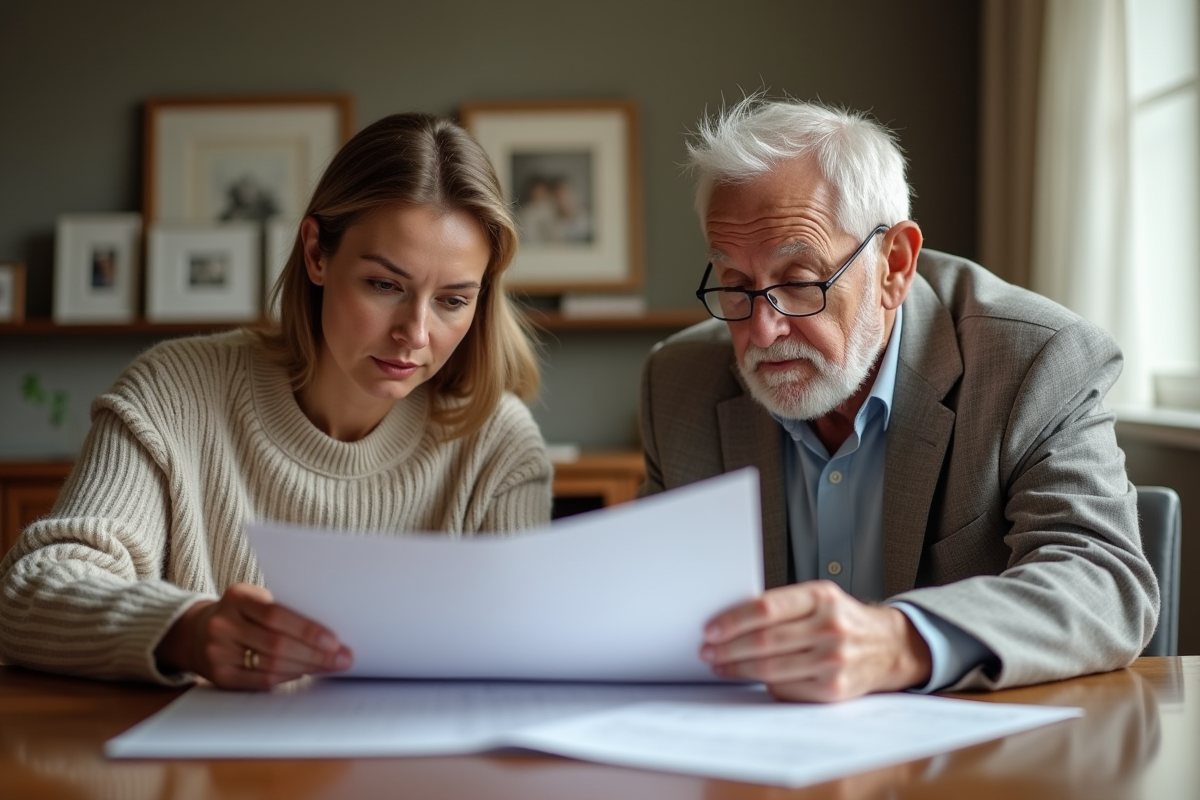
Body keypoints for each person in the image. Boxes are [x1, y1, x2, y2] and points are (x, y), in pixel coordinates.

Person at [0, 113, 552, 690]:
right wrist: (185, 629)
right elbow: (29, 592)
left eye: (453, 300)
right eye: (385, 285)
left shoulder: (498, 442)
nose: (415, 334)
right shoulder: (174, 392)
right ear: (316, 253)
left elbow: (532, 650)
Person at [640, 97, 1159, 702]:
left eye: (801, 283)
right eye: (735, 286)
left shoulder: (1035, 361)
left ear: (895, 265)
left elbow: (1105, 580)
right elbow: (646, 594)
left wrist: (899, 641)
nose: (761, 332)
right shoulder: (678, 383)